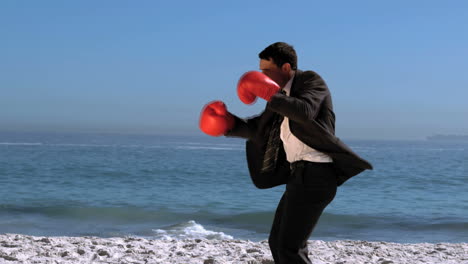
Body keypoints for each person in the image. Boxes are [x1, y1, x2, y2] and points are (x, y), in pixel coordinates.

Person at [199, 42, 373, 264]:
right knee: (277, 242)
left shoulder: (310, 81)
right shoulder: (279, 99)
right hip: (298, 175)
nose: (262, 76)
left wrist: (268, 92)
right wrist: (228, 123)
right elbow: (259, 129)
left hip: (318, 174)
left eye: (267, 71)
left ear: (286, 68)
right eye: (261, 72)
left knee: (289, 247)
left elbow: (304, 112)